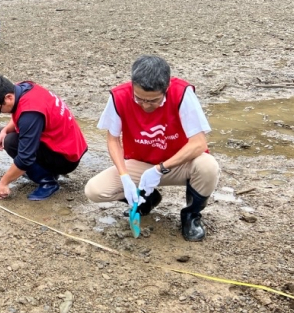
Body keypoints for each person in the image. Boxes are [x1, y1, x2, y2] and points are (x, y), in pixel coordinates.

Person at [84, 55, 219, 242]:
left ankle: (191, 215)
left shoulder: (182, 94)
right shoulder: (119, 97)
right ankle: (147, 200)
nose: (146, 105)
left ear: (166, 88)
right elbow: (113, 140)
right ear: (133, 85)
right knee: (95, 190)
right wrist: (124, 176)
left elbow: (199, 143)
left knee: (208, 166)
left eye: (154, 100)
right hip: (142, 164)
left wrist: (159, 169)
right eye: (140, 99)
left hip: (178, 164)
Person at [0, 74, 87, 201]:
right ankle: (41, 171)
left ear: (8, 97)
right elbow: (21, 113)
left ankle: (48, 182)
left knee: (11, 142)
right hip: (67, 143)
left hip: (66, 158)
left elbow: (25, 158)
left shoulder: (31, 113)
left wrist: (3, 183)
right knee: (1, 134)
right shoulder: (23, 88)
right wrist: (5, 130)